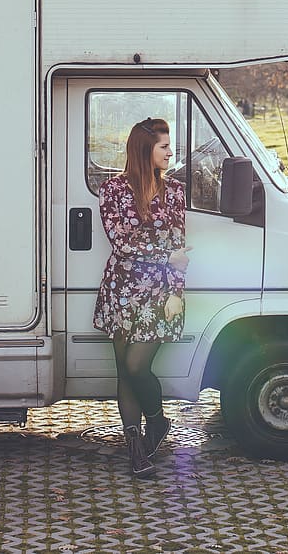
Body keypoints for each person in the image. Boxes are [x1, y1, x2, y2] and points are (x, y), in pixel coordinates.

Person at [93, 116, 191, 478]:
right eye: (164, 146)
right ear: (143, 149)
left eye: (169, 146)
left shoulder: (175, 191)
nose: (170, 152)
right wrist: (165, 255)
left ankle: (157, 421)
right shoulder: (113, 189)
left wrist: (176, 291)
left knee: (137, 367)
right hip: (121, 291)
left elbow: (179, 248)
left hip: (160, 293)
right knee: (124, 370)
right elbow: (121, 241)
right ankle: (136, 449)